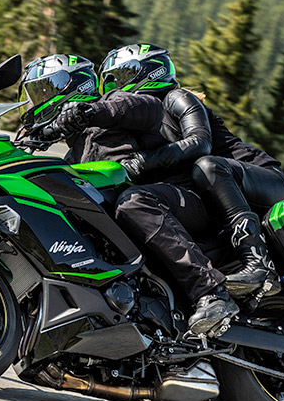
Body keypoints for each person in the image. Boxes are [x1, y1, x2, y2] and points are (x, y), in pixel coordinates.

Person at [18, 54, 237, 337]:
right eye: (35, 93)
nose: (38, 100)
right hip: (155, 213)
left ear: (72, 86)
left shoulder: (119, 106)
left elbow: (140, 107)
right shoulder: (76, 153)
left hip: (186, 199)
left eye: (44, 90)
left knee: (132, 201)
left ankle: (211, 292)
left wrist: (88, 111)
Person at [99, 44, 284, 298]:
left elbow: (200, 143)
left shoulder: (176, 98)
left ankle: (259, 262)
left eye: (122, 76)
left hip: (262, 177)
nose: (115, 89)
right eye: (109, 82)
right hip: (221, 189)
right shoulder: (143, 121)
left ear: (149, 72)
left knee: (207, 166)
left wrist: (143, 161)